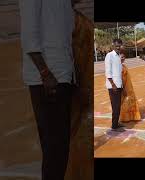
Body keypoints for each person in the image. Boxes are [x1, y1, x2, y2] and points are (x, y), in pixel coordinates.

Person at [19, 0, 75, 179]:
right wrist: (44, 72)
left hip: (63, 75)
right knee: (54, 150)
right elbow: (29, 34)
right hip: (47, 79)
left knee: (60, 147)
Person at [65, 1, 93, 179]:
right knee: (74, 135)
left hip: (82, 84)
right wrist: (80, 86)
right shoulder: (70, 20)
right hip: (76, 87)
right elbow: (70, 54)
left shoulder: (76, 18)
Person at [105, 38, 125, 132]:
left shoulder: (118, 56)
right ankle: (114, 125)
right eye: (116, 45)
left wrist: (121, 85)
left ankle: (116, 123)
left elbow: (119, 71)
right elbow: (108, 72)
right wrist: (113, 85)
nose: (118, 47)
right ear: (113, 45)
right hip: (113, 86)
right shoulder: (110, 55)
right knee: (115, 106)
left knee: (118, 105)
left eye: (119, 45)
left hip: (119, 85)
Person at [119, 51, 142, 122]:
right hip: (124, 87)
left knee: (130, 101)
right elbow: (121, 79)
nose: (123, 58)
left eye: (124, 57)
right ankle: (125, 118)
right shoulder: (119, 67)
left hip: (129, 87)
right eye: (121, 57)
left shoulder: (124, 66)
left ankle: (132, 116)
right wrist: (123, 89)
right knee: (125, 102)